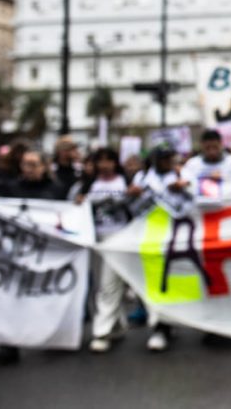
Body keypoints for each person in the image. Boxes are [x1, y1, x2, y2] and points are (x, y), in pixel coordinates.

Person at [0, 149, 64, 365]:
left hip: (45, 254)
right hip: (15, 252)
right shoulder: (11, 189)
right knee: (11, 298)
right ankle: (9, 344)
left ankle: (48, 334)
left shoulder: (55, 190)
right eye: (25, 164)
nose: (29, 169)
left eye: (33, 164)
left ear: (43, 166)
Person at [75, 147, 140, 351]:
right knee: (107, 284)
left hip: (121, 239)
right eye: (100, 161)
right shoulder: (87, 185)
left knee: (108, 284)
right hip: (97, 240)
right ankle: (116, 324)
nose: (104, 165)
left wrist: (134, 196)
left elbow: (138, 208)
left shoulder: (126, 182)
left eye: (108, 160)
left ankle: (101, 331)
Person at [130, 146, 187, 352]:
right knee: (154, 283)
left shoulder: (181, 175)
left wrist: (184, 188)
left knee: (172, 282)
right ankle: (159, 327)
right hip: (149, 237)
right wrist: (133, 194)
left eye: (168, 158)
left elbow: (192, 202)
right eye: (161, 158)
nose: (166, 162)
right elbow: (131, 204)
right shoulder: (142, 178)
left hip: (176, 237)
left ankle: (169, 322)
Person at [181, 129, 231, 201]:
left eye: (215, 147)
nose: (211, 152)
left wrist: (222, 178)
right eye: (207, 148)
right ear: (202, 146)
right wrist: (208, 180)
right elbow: (188, 186)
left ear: (221, 144)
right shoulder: (192, 164)